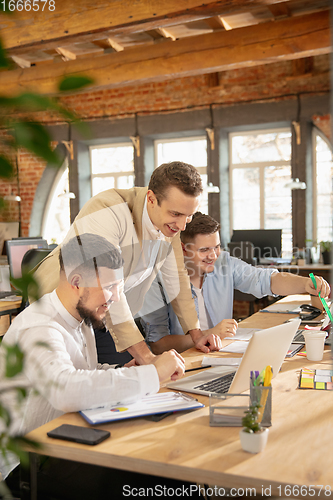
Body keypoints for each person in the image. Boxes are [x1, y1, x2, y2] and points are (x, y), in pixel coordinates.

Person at [0, 233, 199, 500]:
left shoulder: (79, 317)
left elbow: (83, 373)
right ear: (76, 282)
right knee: (153, 482)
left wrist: (125, 372)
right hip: (28, 463)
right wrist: (151, 373)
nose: (116, 297)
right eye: (110, 286)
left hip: (65, 439)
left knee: (172, 469)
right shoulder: (40, 328)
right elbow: (66, 389)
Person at [32, 162, 221, 365]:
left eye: (189, 216)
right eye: (175, 214)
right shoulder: (108, 210)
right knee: (72, 385)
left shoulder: (171, 226)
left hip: (101, 314)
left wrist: (197, 334)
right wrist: (146, 355)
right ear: (151, 199)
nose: (183, 225)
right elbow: (104, 282)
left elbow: (177, 279)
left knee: (132, 380)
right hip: (58, 307)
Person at [139, 212, 331, 354]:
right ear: (183, 249)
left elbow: (266, 279)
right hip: (181, 364)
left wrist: (305, 284)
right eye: (205, 250)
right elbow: (158, 344)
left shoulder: (224, 263)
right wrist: (207, 334)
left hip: (221, 355)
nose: (213, 256)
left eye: (216, 247)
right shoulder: (157, 280)